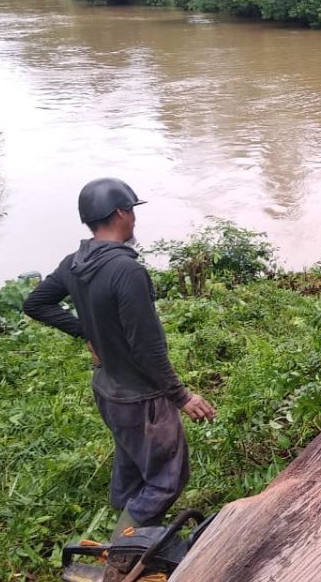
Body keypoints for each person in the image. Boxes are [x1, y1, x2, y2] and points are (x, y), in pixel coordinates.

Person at [22, 178, 216, 540]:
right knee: (165, 481)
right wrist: (183, 397)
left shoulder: (74, 264)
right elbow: (148, 348)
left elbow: (36, 304)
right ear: (120, 213)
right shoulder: (127, 271)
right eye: (132, 212)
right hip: (141, 398)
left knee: (131, 461)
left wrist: (87, 332)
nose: (134, 221)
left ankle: (134, 532)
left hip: (108, 390)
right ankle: (121, 552)